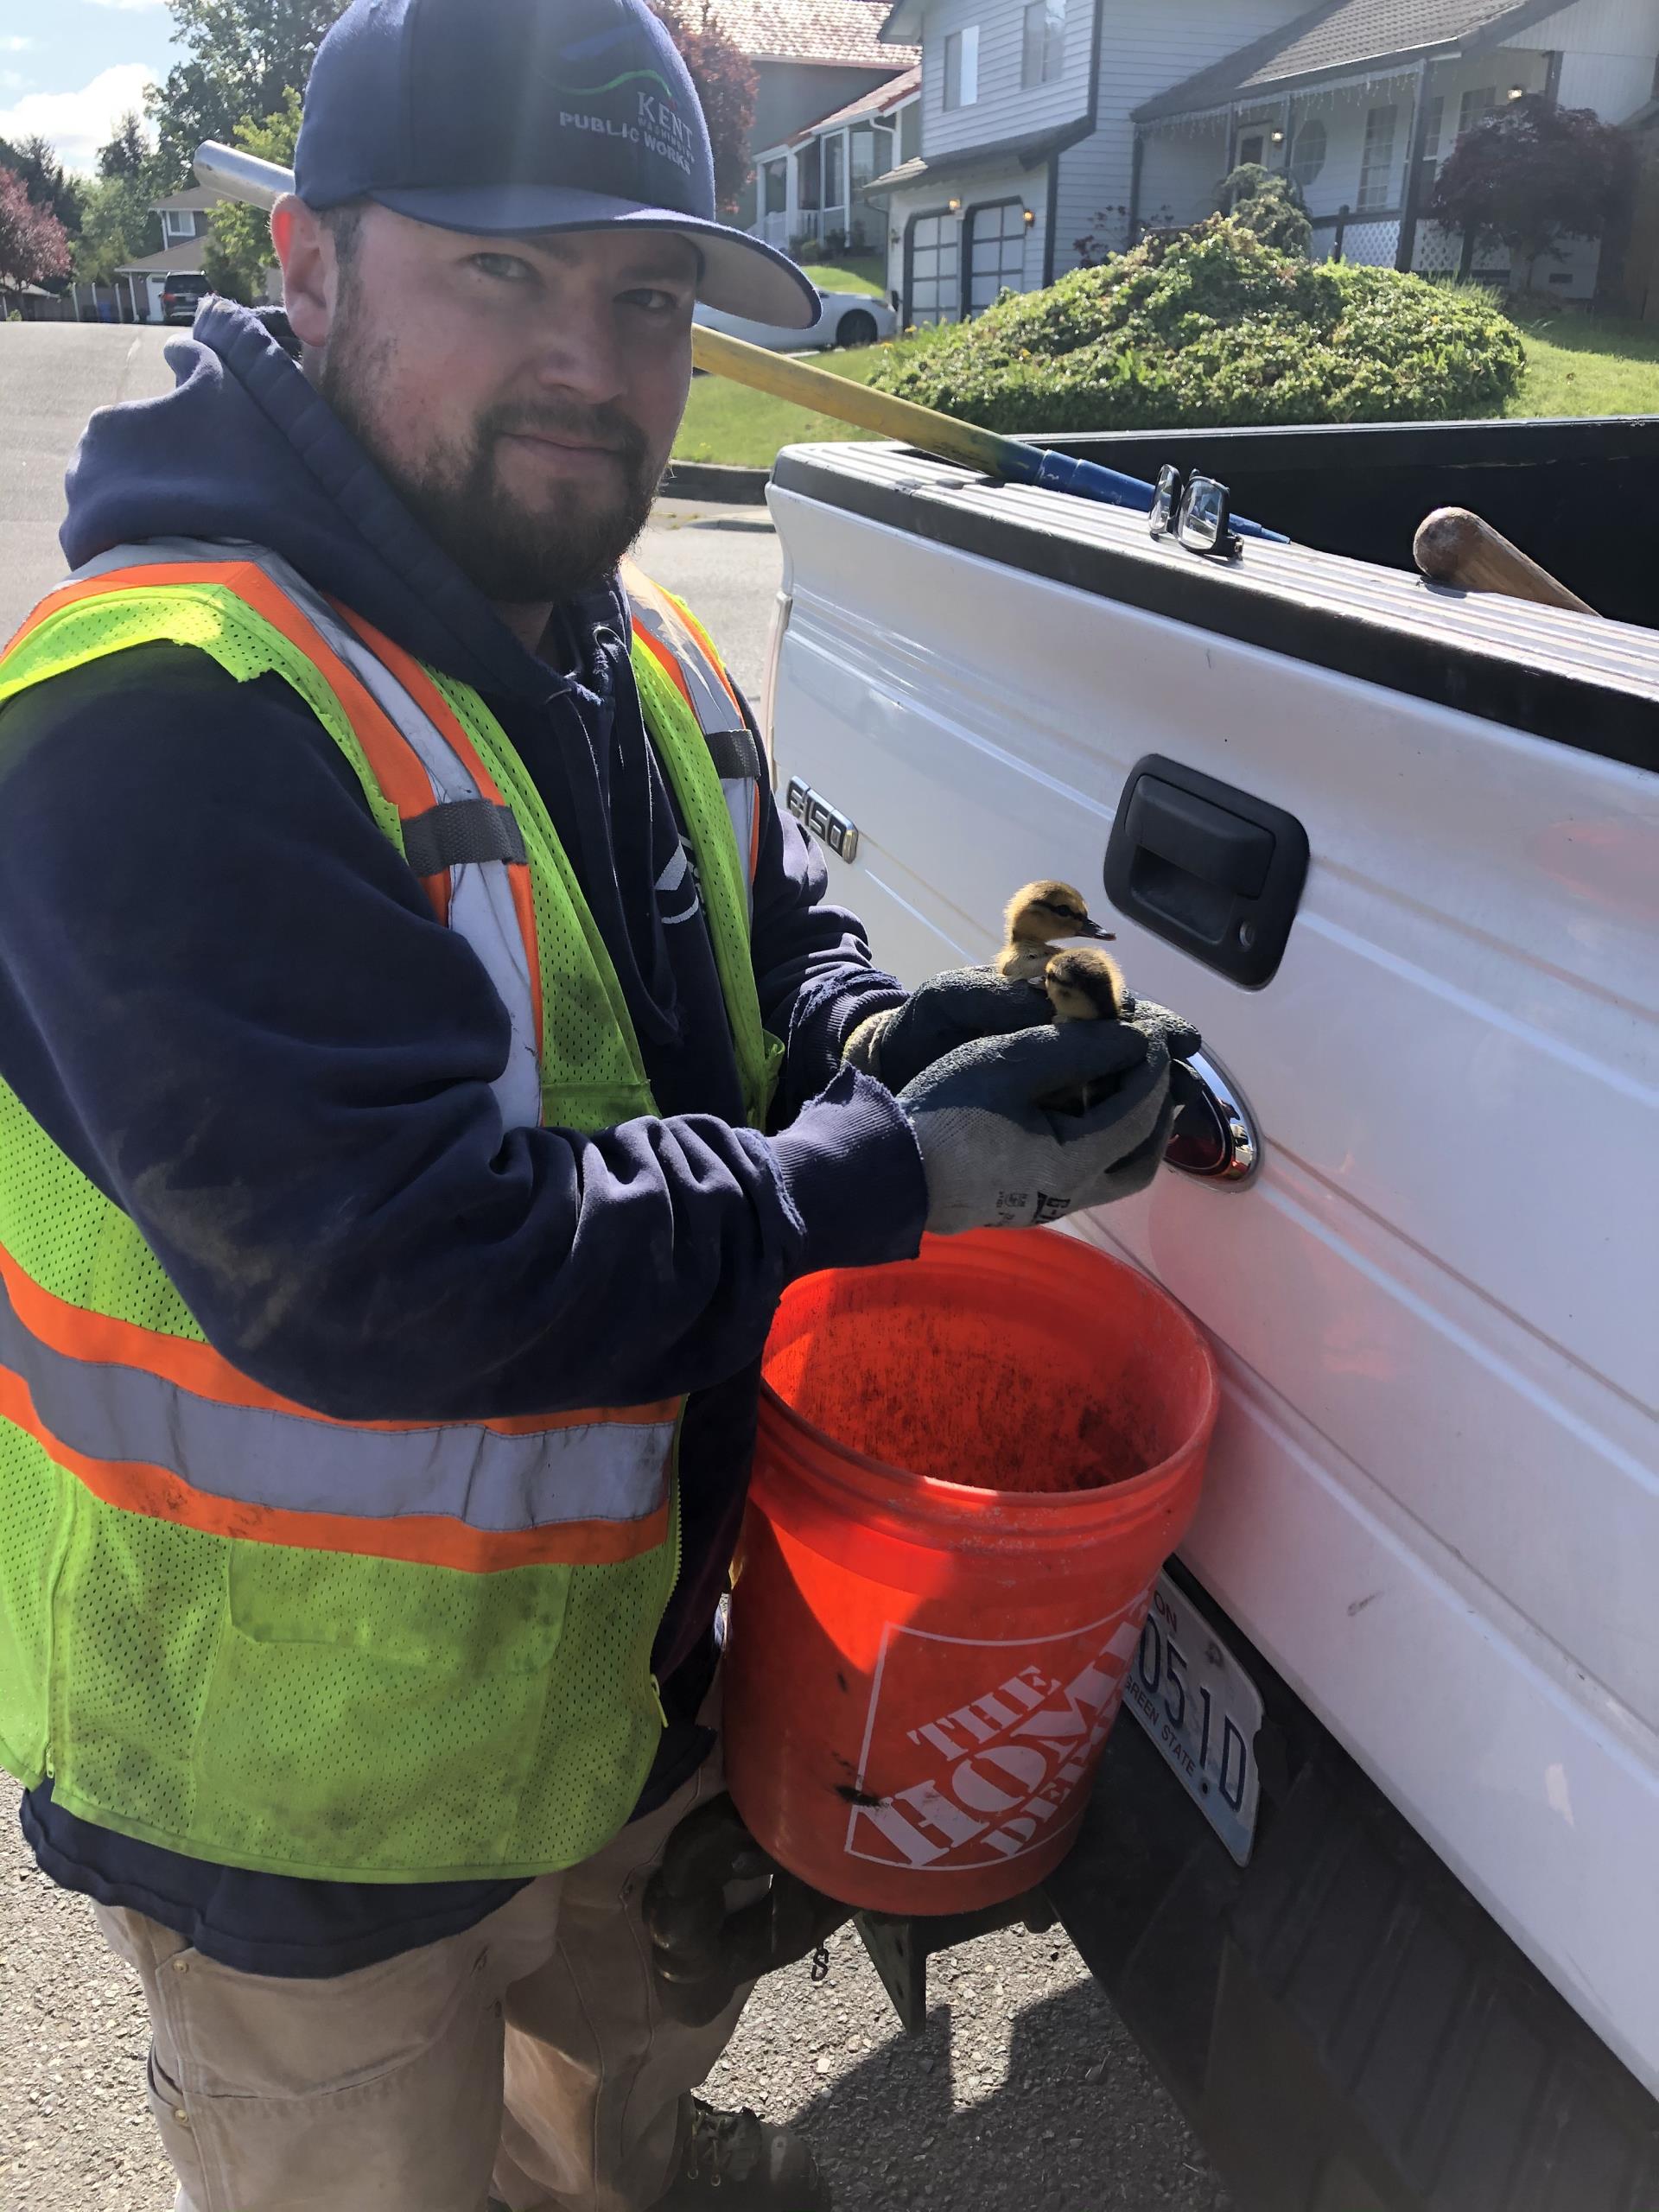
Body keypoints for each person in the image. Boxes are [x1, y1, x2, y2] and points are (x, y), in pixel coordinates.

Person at [0, 1, 1193, 2206]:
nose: (591, 359)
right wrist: (890, 1173)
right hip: (291, 1785)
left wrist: (882, 1048)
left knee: (610, 2112)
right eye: (505, 273)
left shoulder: (636, 653)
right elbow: (392, 1263)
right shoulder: (157, 710)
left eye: (644, 296)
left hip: (619, 1673)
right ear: (309, 265)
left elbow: (765, 957)